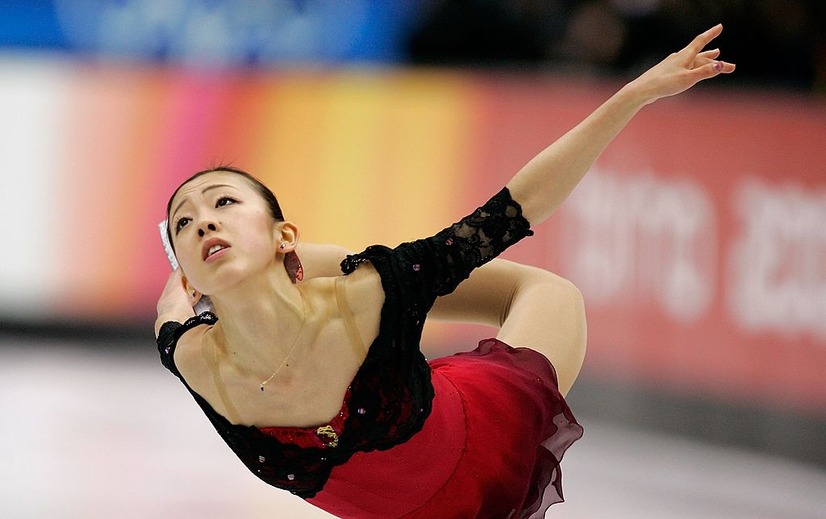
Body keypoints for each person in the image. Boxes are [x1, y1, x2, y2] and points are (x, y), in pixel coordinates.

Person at [155, 25, 734, 519]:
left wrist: (631, 96)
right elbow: (172, 307)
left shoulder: (368, 298)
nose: (204, 222)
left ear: (283, 234)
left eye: (224, 203)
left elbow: (516, 209)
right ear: (184, 272)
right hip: (317, 298)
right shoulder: (192, 356)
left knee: (544, 291)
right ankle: (301, 264)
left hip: (486, 437)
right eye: (185, 222)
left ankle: (316, 261)